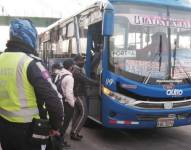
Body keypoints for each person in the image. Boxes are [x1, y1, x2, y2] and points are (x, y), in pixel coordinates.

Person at [0, 18, 64, 150]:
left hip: (4, 128)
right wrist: (55, 126)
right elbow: (54, 100)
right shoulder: (31, 63)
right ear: (30, 36)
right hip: (30, 130)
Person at [70, 54, 98, 140]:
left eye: (83, 60)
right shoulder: (76, 71)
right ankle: (74, 132)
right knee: (84, 113)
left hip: (79, 93)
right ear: (76, 62)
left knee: (77, 113)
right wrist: (97, 83)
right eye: (81, 60)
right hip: (78, 94)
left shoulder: (79, 69)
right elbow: (85, 79)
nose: (83, 62)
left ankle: (73, 131)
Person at [54, 58, 76, 149]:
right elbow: (68, 93)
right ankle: (58, 144)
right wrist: (73, 104)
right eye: (73, 66)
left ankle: (60, 141)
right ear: (71, 67)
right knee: (64, 125)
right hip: (66, 104)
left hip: (59, 101)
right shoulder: (69, 78)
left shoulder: (59, 74)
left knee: (60, 123)